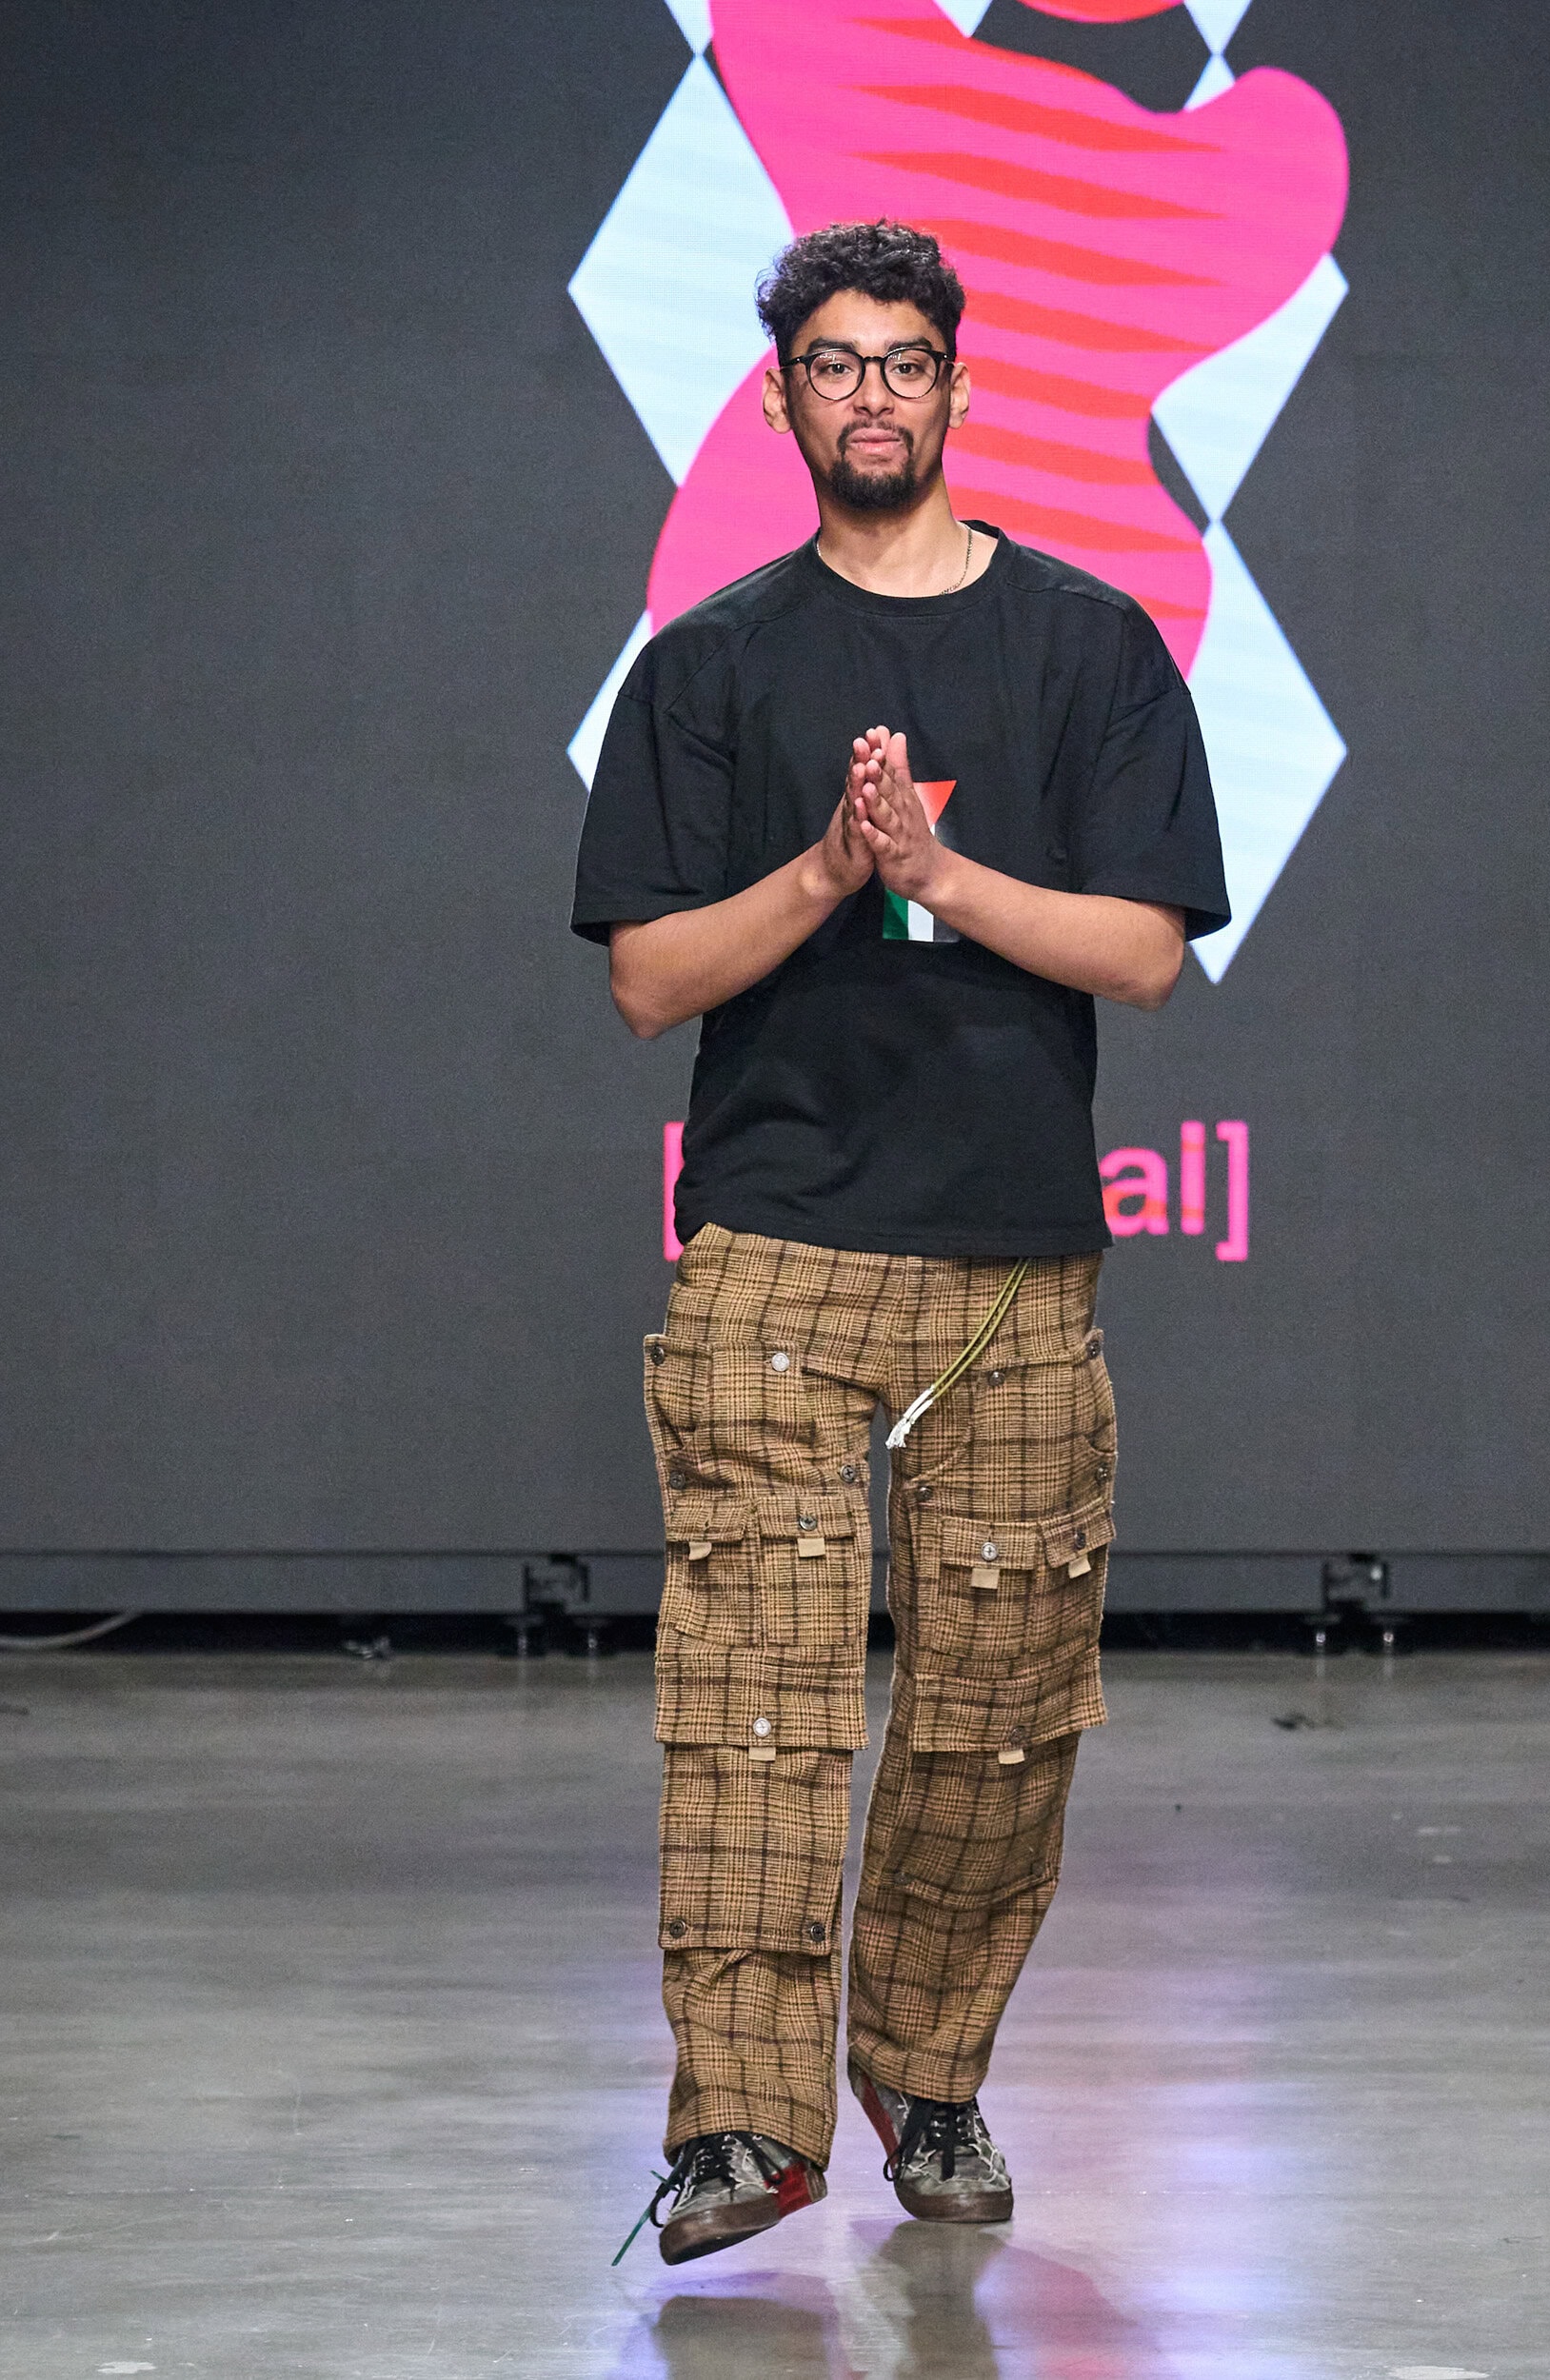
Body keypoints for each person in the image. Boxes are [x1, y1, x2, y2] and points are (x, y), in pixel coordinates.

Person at [574, 219, 1229, 2266]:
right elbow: (647, 982)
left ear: (957, 385)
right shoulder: (710, 662)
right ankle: (741, 2127)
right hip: (776, 1250)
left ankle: (926, 2077)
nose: (871, 392)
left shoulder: (1090, 647)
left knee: (995, 1715)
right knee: (753, 1703)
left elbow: (1144, 952)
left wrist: (936, 865)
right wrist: (826, 869)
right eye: (834, 363)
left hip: (1018, 1263)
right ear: (781, 399)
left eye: (905, 359)